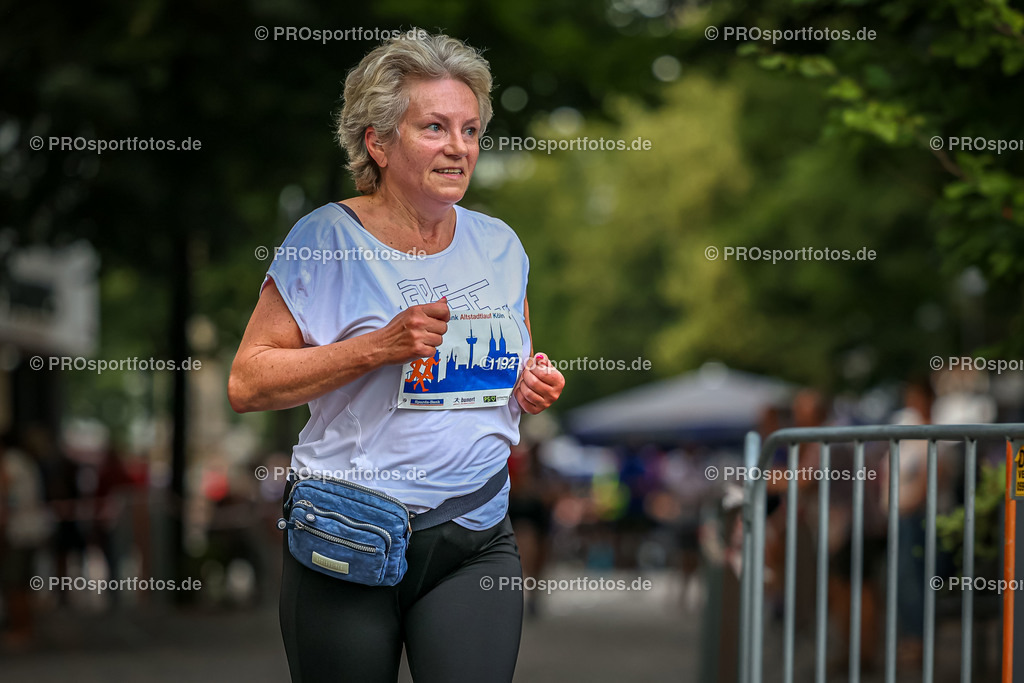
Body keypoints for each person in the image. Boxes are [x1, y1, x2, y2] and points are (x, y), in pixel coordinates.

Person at [228, 31, 564, 683]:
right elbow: (247, 380)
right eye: (434, 126)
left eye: (469, 129)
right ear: (379, 142)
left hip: (474, 534)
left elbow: (507, 369)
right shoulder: (325, 238)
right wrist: (379, 346)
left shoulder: (499, 244)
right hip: (349, 532)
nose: (458, 146)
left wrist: (530, 382)